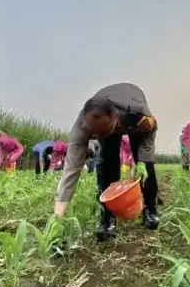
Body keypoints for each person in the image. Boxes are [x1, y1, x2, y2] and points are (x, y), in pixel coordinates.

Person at [54, 83, 159, 242]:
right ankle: (107, 218)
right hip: (109, 123)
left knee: (147, 168)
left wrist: (143, 161)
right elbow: (70, 173)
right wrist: (56, 222)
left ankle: (150, 209)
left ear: (115, 119)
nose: (96, 136)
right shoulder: (81, 130)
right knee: (106, 166)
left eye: (102, 132)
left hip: (133, 110)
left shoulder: (138, 113)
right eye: (94, 133)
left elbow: (150, 131)